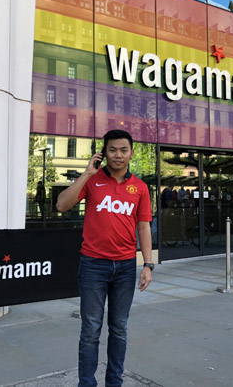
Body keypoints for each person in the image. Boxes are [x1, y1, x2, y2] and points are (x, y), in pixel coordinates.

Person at [56, 129, 153, 387]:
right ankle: (86, 384)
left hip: (125, 267)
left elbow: (143, 227)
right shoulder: (92, 180)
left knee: (119, 330)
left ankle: (114, 383)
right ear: (103, 153)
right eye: (112, 150)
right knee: (90, 331)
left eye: (123, 150)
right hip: (93, 266)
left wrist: (148, 264)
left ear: (131, 153)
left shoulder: (140, 188)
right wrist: (87, 172)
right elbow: (61, 205)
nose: (118, 155)